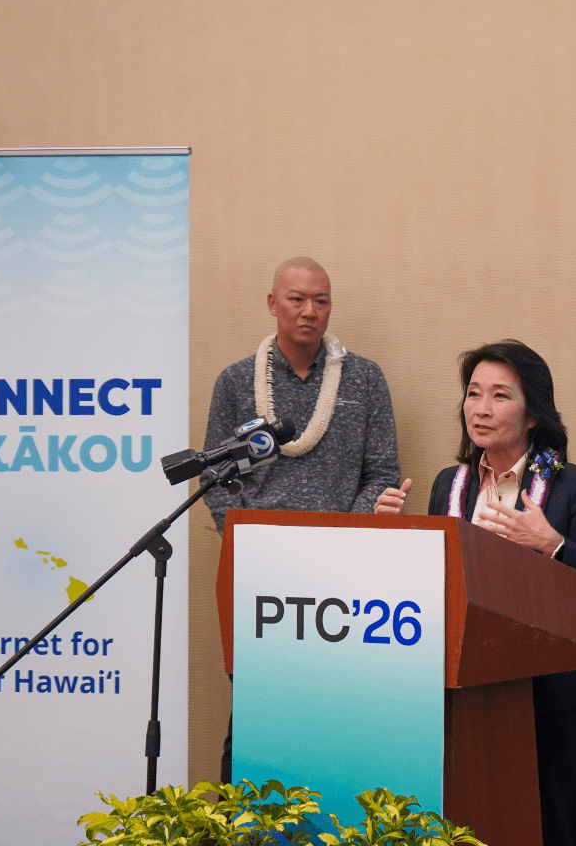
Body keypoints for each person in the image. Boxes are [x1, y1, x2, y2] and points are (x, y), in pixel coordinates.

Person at [372, 339, 576, 846]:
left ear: (533, 415)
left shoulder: (572, 485)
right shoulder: (448, 484)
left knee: (549, 828)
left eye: (500, 396)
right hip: (460, 695)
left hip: (545, 697)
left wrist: (553, 544)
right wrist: (389, 535)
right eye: (473, 393)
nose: (480, 409)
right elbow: (432, 581)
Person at [204, 255, 401, 782]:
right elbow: (215, 479)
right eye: (297, 300)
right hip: (259, 573)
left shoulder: (364, 379)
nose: (310, 312)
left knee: (333, 705)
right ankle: (245, 826)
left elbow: (382, 471)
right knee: (256, 709)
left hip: (343, 572)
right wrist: (248, 540)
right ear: (273, 304)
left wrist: (344, 537)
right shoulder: (235, 382)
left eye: (322, 301)